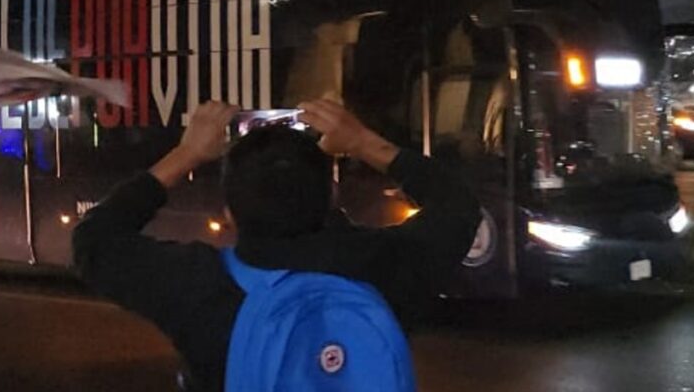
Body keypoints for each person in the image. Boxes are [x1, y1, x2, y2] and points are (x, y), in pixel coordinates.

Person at [73, 99, 481, 391]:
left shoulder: (197, 286)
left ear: (229, 213)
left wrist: (187, 154)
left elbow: (94, 238)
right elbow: (457, 203)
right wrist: (362, 141)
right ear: (332, 196)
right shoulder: (387, 266)